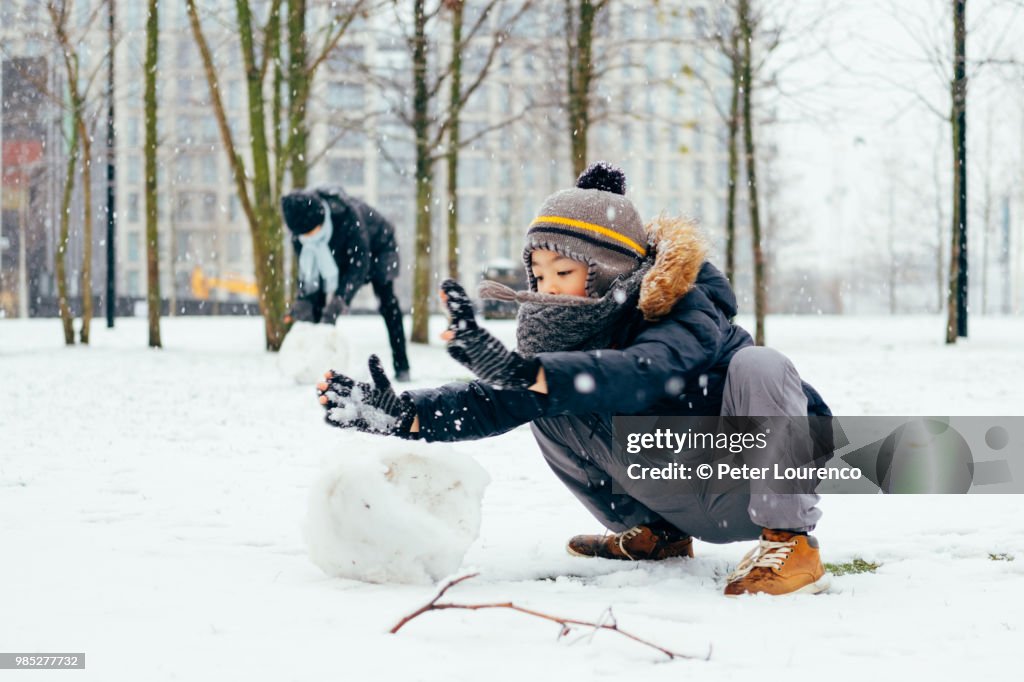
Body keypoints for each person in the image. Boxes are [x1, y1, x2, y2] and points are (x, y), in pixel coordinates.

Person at [315, 162, 832, 596]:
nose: (548, 289)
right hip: (676, 483)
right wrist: (405, 414)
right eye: (538, 276)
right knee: (546, 401)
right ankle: (658, 535)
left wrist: (534, 372)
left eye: (562, 273)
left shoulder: (683, 306)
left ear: (607, 267)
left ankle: (792, 544)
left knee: (761, 363)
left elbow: (645, 372)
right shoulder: (563, 331)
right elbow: (497, 402)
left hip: (746, 475)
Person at [282, 186, 411, 382]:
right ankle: (315, 366)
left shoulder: (347, 216)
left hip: (378, 248)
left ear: (321, 219)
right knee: (314, 307)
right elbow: (307, 274)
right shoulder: (300, 233)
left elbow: (358, 266)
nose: (307, 238)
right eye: (303, 236)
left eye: (311, 232)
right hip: (337, 258)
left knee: (387, 302)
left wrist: (340, 299)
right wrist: (303, 301)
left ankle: (402, 365)